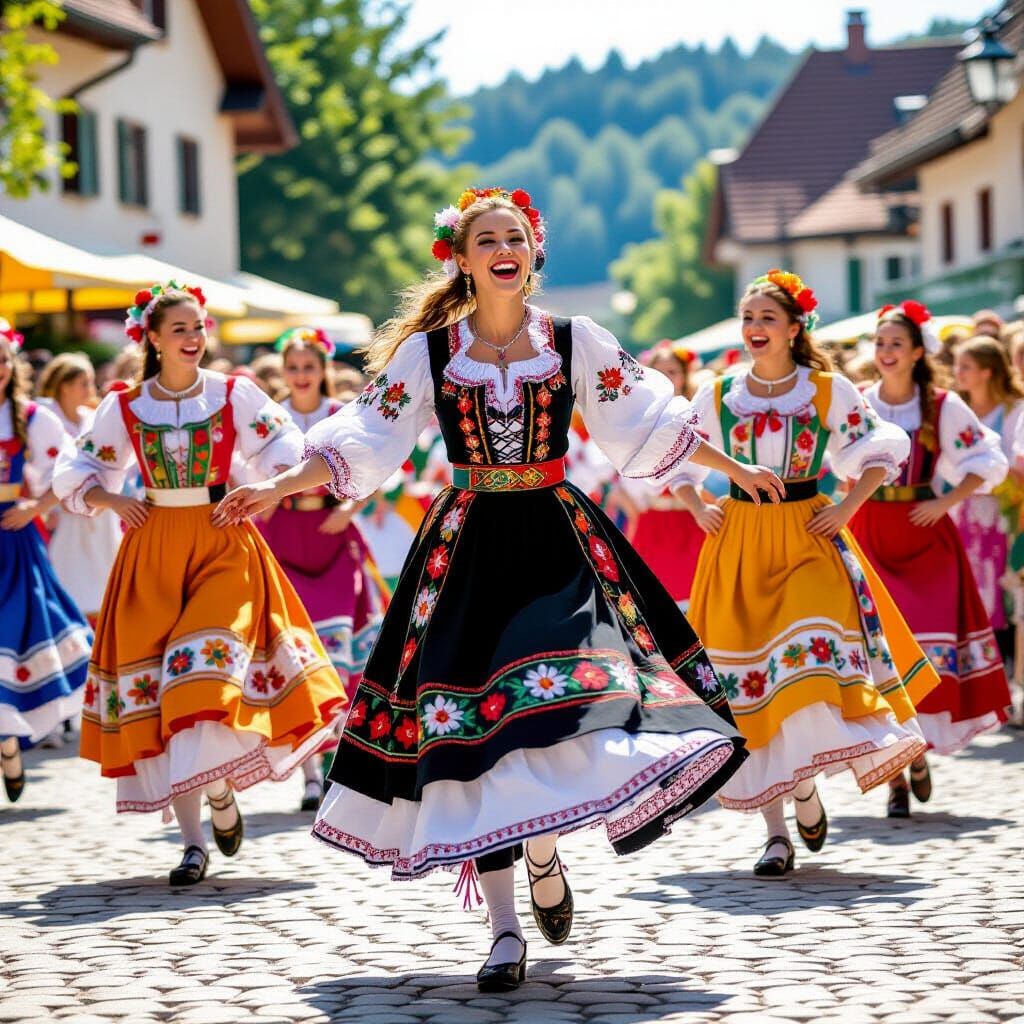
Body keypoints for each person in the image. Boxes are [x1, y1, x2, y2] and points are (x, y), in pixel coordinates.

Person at [214, 186, 785, 991]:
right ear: (463, 257)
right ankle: (505, 930)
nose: (501, 247)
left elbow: (644, 421)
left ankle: (544, 844)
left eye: (513, 235)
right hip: (467, 548)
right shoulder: (431, 353)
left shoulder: (574, 340)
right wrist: (278, 488)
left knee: (563, 702)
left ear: (532, 252)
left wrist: (734, 469)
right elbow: (367, 436)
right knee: (467, 733)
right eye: (485, 238)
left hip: (557, 540)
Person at [52, 282, 349, 885]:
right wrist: (112, 497)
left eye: (198, 328)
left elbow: (284, 446)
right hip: (153, 550)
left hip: (221, 541)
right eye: (181, 329)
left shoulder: (234, 393)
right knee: (162, 696)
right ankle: (194, 840)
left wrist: (270, 486)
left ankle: (216, 789)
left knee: (199, 679)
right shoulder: (126, 405)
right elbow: (77, 466)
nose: (194, 338)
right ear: (153, 338)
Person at [677, 271, 936, 876]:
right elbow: (678, 449)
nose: (754, 329)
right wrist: (697, 505)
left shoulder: (827, 389)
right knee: (750, 689)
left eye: (767, 318)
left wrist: (846, 507)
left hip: (808, 531)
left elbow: (877, 448)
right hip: (738, 539)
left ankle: (802, 782)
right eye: (749, 318)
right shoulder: (717, 394)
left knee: (811, 658)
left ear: (795, 328)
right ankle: (777, 830)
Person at [849, 302, 1012, 818]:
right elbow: (836, 459)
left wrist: (946, 501)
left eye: (896, 344)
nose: (886, 352)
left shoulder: (942, 405)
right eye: (880, 344)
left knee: (923, 651)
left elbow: (987, 458)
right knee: (882, 656)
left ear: (918, 352)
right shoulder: (858, 402)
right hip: (870, 530)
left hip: (924, 533)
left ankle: (918, 750)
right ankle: (897, 775)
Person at [260, 326, 387, 811]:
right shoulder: (272, 420)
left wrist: (351, 509)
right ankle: (310, 772)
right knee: (294, 654)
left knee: (336, 652)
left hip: (332, 537)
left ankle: (337, 758)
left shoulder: (341, 415)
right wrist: (264, 501)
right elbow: (247, 467)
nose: (300, 376)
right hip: (285, 537)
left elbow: (375, 465)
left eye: (308, 367)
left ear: (323, 370)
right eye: (292, 368)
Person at [0, 325, 92, 801]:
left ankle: (10, 740)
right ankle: (7, 742)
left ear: (12, 366)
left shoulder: (33, 418)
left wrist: (34, 509)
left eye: (1, 360)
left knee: (14, 633)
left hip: (13, 540)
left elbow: (69, 472)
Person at [616, 342, 708, 609]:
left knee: (697, 602)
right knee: (654, 605)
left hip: (692, 520)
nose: (667, 377)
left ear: (684, 375)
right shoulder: (636, 419)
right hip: (653, 523)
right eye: (659, 370)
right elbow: (618, 472)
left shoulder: (698, 414)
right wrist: (634, 510)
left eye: (673, 370)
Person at [950, 336, 1024, 653]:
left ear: (987, 372)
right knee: (967, 583)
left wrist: (983, 470)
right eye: (957, 366)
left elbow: (1015, 466)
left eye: (966, 366)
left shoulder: (1013, 411)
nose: (958, 373)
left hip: (1000, 511)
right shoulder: (955, 408)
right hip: (959, 509)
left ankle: (1001, 654)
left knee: (998, 581)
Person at [37, 353, 122, 626]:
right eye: (84, 382)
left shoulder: (91, 418)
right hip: (61, 512)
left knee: (102, 574)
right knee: (68, 573)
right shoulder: (45, 417)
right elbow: (38, 466)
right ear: (65, 385)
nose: (90, 389)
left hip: (98, 509)